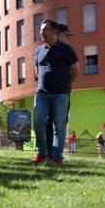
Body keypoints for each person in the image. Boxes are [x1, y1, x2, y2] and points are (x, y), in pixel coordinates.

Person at [32, 19, 79, 166]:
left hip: (60, 94)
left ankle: (57, 157)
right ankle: (42, 152)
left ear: (54, 32)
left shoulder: (66, 49)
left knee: (58, 125)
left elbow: (76, 71)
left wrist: (66, 85)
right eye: (41, 30)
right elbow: (37, 70)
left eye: (45, 30)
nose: (41, 33)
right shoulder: (38, 51)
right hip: (42, 93)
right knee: (38, 121)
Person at [46, 23, 75, 158]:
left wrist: (66, 85)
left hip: (63, 92)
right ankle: (48, 152)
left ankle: (56, 154)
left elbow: (75, 71)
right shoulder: (47, 49)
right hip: (47, 93)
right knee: (47, 121)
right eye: (66, 35)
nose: (68, 38)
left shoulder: (68, 51)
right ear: (58, 33)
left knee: (60, 123)